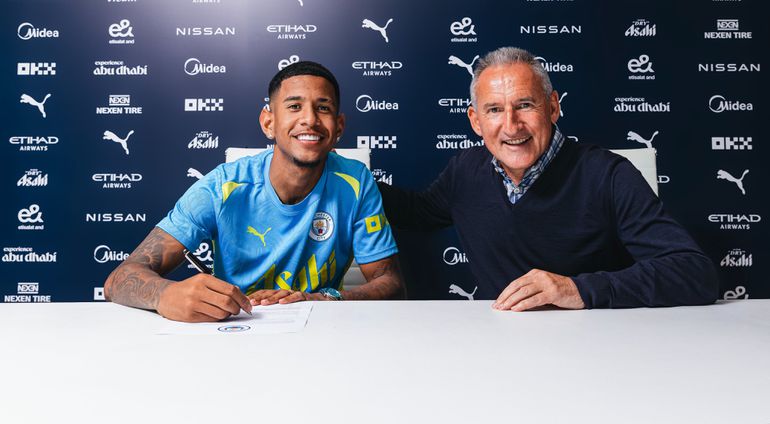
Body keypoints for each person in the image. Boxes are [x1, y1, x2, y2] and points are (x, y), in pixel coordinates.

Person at [378, 47, 718, 311]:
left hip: (599, 349)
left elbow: (694, 272)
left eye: (525, 105)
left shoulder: (608, 174)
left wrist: (578, 289)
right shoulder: (465, 170)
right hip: (500, 346)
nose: (511, 126)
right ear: (476, 121)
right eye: (494, 110)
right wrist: (346, 172)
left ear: (553, 107)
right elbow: (416, 212)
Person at [105, 61, 404, 322]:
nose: (310, 119)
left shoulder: (356, 181)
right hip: (234, 328)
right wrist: (165, 294)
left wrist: (323, 299)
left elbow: (390, 281)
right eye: (294, 106)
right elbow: (119, 279)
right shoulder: (223, 186)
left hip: (320, 327)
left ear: (339, 126)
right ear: (268, 122)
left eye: (323, 108)